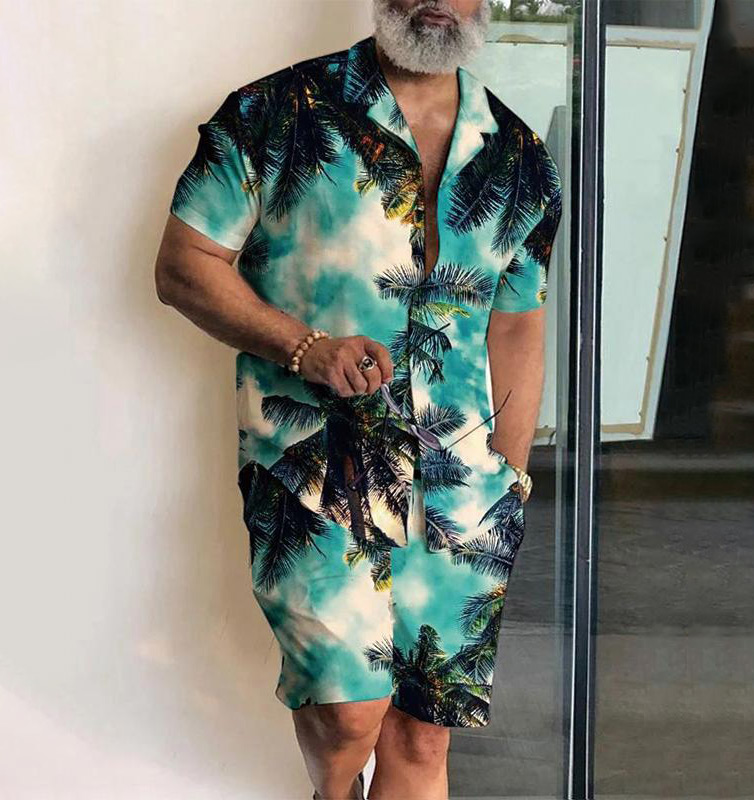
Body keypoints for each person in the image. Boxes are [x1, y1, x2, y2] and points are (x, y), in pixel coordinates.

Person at [155, 1, 562, 797]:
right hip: (317, 469)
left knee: (423, 736)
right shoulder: (274, 113)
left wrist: (511, 479)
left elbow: (516, 324)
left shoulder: (519, 157)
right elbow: (183, 264)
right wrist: (304, 347)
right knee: (349, 712)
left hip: (465, 487)